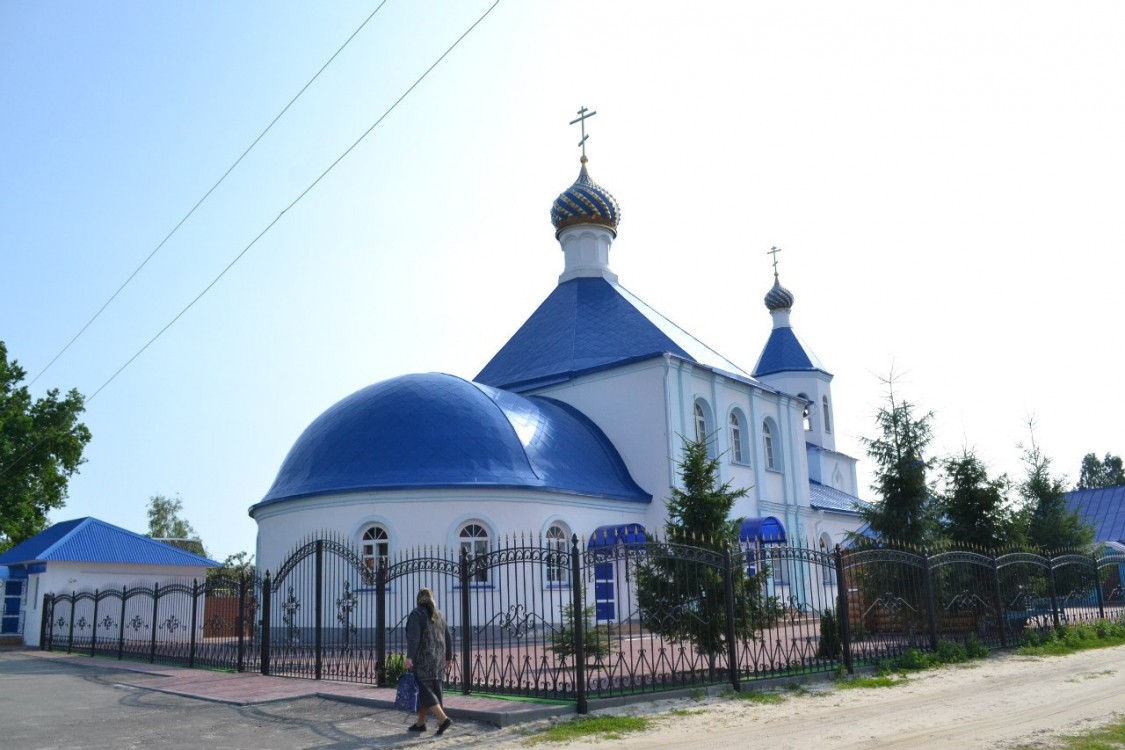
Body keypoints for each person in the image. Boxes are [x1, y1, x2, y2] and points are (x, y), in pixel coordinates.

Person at [405, 587, 453, 735]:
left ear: (418, 599)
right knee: (432, 691)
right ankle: (420, 723)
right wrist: (448, 657)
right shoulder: (440, 615)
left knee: (425, 691)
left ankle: (443, 719)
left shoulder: (416, 614)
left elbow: (414, 638)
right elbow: (448, 637)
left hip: (423, 660)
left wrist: (410, 657)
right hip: (438, 659)